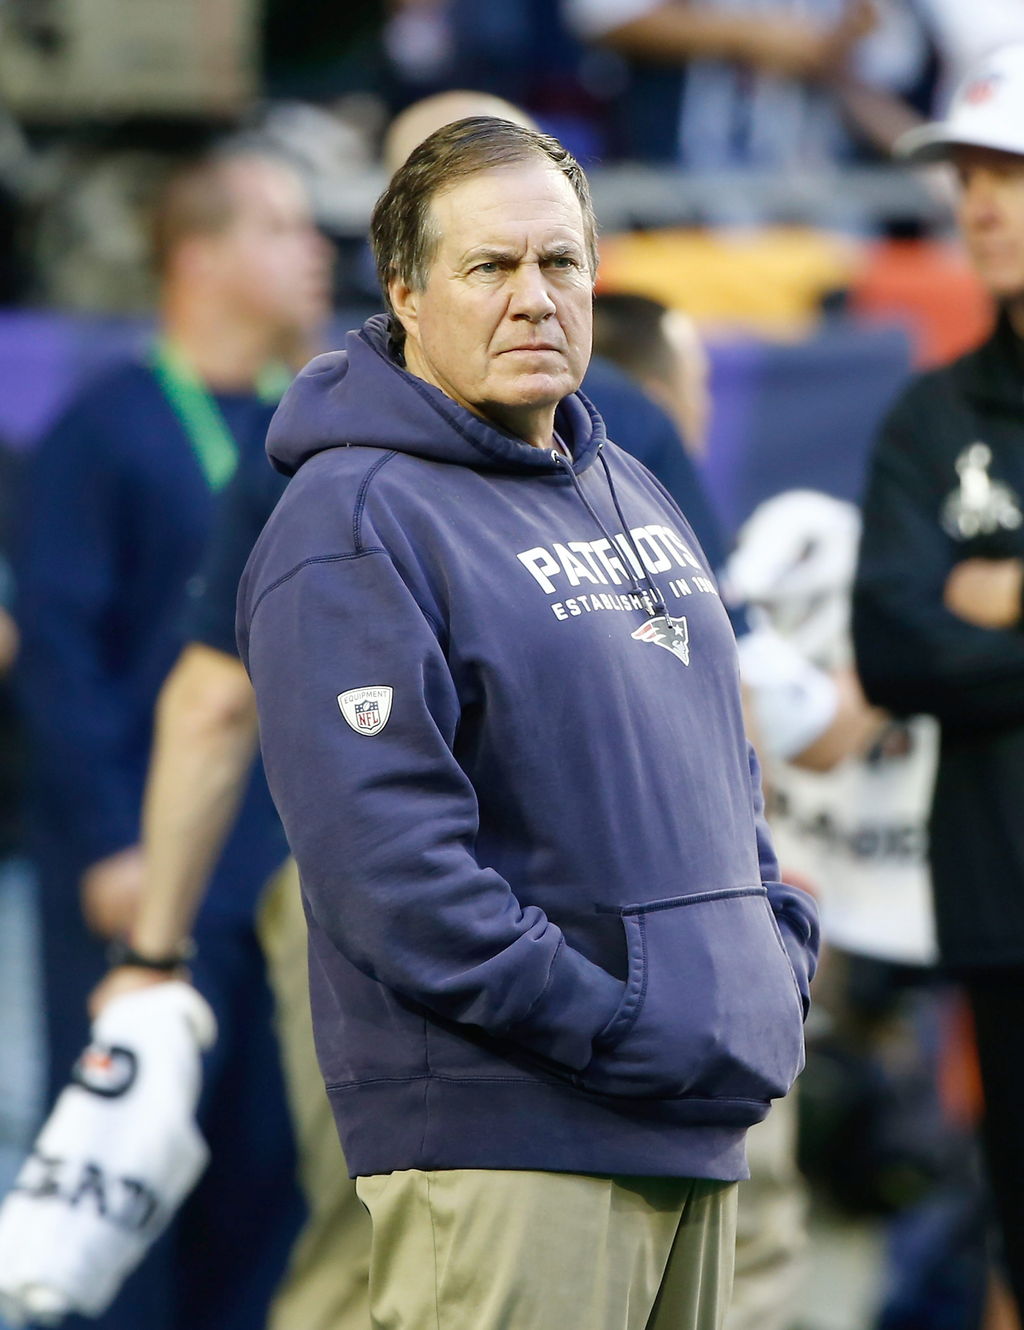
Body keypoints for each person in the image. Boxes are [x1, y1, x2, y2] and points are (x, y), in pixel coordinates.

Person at [238, 114, 818, 1330]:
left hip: (688, 1114)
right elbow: (391, 877)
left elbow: (721, 772)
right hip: (511, 1139)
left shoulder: (625, 481)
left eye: (559, 262)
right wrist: (614, 1020)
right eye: (489, 267)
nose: (533, 298)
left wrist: (767, 962)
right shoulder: (354, 516)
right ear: (404, 293)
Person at [14, 145, 330, 1330]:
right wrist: (109, 840)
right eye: (279, 227)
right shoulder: (101, 431)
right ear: (198, 257)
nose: (313, 250)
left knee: (265, 1198)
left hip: (285, 878)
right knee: (128, 1192)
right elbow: (58, 651)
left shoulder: (318, 426)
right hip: (144, 869)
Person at [853, 41, 1024, 1322]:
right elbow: (894, 648)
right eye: (965, 175)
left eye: (1008, 172)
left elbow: (940, 634)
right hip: (1000, 909)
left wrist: (1000, 591)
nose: (977, 204)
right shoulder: (930, 418)